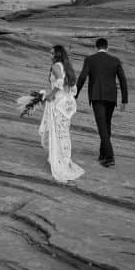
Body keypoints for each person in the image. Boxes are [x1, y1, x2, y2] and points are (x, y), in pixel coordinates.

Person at [75, 38, 128, 167]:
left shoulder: (90, 59)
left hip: (97, 96)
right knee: (107, 125)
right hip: (111, 97)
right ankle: (102, 155)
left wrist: (75, 94)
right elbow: (123, 80)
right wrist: (124, 100)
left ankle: (109, 156)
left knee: (102, 126)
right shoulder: (115, 60)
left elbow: (82, 76)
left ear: (96, 48)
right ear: (107, 47)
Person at [38, 44, 84, 184]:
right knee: (64, 132)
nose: (49, 55)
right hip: (67, 104)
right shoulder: (67, 67)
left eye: (51, 53)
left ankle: (59, 160)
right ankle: (63, 158)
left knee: (57, 132)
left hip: (58, 104)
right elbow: (72, 87)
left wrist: (49, 95)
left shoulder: (56, 66)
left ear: (57, 54)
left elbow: (59, 82)